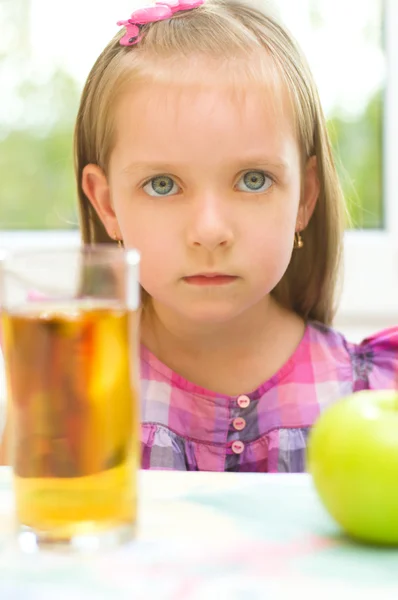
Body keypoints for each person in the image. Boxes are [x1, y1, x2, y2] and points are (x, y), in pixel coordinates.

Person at [4, 0, 398, 471]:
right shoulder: (67, 396)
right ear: (107, 204)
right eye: (162, 185)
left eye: (253, 179)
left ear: (305, 197)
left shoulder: (374, 395)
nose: (210, 231)